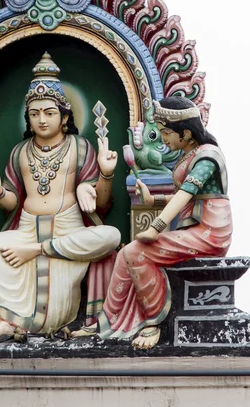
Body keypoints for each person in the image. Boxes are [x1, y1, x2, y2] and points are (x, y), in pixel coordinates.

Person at [0, 53, 121, 341]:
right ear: (27, 117)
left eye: (49, 113)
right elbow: (12, 202)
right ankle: (7, 321)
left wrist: (105, 175)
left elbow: (100, 203)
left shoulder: (80, 147)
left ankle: (41, 253)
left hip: (68, 232)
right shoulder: (20, 151)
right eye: (35, 113)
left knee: (111, 235)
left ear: (64, 117)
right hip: (26, 231)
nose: (41, 120)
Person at [72, 96, 232, 349]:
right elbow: (185, 195)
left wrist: (155, 227)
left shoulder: (208, 155)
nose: (164, 140)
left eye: (167, 132)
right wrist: (153, 199)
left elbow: (187, 193)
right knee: (126, 252)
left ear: (187, 132)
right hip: (194, 228)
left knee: (137, 252)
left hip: (210, 232)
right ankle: (107, 321)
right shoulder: (188, 154)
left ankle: (152, 322)